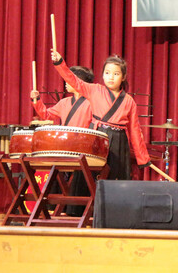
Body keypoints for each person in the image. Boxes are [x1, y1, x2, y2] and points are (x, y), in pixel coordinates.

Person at [51, 50, 151, 180]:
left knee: (115, 178)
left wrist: (142, 159)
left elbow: (135, 131)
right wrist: (60, 63)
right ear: (103, 75)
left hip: (119, 142)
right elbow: (74, 80)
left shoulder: (128, 101)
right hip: (98, 136)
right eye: (107, 73)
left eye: (116, 74)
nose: (111, 77)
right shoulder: (95, 90)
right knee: (92, 178)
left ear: (123, 77)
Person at [30, 66, 95, 216]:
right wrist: (36, 99)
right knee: (55, 167)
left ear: (78, 82)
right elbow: (46, 115)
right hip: (65, 147)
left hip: (82, 147)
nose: (65, 82)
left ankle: (72, 209)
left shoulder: (91, 103)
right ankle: (54, 206)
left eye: (69, 79)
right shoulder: (65, 102)